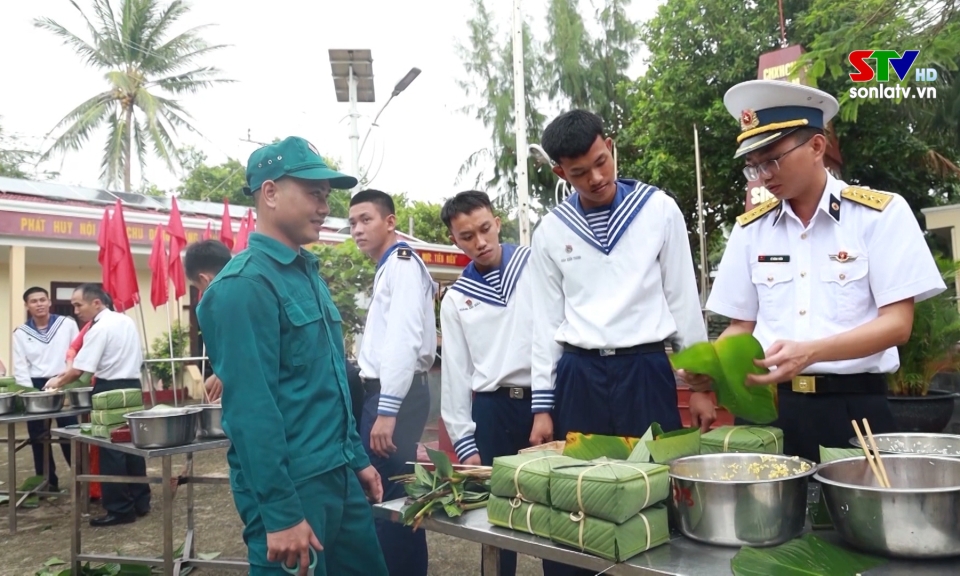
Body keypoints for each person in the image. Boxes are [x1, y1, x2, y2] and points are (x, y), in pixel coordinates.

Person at [692, 79, 946, 463]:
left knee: (857, 521)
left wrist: (811, 352)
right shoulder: (750, 230)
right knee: (765, 524)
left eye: (772, 159)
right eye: (753, 166)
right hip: (768, 414)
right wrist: (710, 366)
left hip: (853, 409)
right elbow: (741, 326)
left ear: (816, 146)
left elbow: (897, 324)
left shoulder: (879, 215)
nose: (763, 176)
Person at [197, 136, 387, 576]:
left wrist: (356, 459)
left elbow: (332, 383)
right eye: (312, 194)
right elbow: (250, 410)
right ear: (270, 193)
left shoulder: (308, 274)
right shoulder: (243, 287)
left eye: (326, 197)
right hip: (292, 486)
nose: (324, 207)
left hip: (336, 472)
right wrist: (281, 513)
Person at [529, 109, 714, 448]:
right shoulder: (551, 231)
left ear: (610, 146)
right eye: (579, 173)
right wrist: (542, 406)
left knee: (656, 479)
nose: (596, 178)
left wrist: (701, 388)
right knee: (582, 487)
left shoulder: (657, 209)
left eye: (602, 162)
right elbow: (546, 323)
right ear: (560, 172)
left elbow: (682, 300)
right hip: (579, 374)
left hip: (645, 369)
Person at [439, 190, 540, 576]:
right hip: (492, 410)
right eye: (467, 236)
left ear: (497, 222)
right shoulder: (457, 298)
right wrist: (465, 444)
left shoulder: (534, 265)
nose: (479, 242)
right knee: (495, 522)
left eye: (484, 229)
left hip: (542, 405)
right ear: (454, 239)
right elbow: (455, 374)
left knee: (560, 512)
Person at [349, 189, 436, 576]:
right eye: (352, 222)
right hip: (391, 393)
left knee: (388, 499)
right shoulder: (389, 266)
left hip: (392, 395)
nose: (357, 229)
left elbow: (402, 340)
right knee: (393, 498)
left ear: (390, 221)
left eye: (366, 220)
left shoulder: (401, 264)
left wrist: (387, 410)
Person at [46, 283, 151, 526]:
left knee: (111, 447)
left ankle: (120, 509)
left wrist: (55, 383)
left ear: (96, 303)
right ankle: (140, 501)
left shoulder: (99, 328)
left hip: (110, 390)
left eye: (78, 304)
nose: (75, 310)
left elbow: (79, 371)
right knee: (132, 444)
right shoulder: (125, 321)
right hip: (133, 388)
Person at [12, 287, 80, 492]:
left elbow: (76, 350)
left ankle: (82, 480)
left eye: (42, 299)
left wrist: (68, 379)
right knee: (38, 437)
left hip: (63, 380)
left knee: (70, 433)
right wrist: (29, 393)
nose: (39, 304)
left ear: (49, 302)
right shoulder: (21, 333)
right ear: (27, 306)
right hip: (35, 385)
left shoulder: (66, 324)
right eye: (34, 301)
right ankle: (47, 482)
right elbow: (20, 365)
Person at [184, 239, 234, 402]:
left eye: (201, 289)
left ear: (205, 279)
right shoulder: (256, 289)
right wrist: (222, 373)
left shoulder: (222, 307)